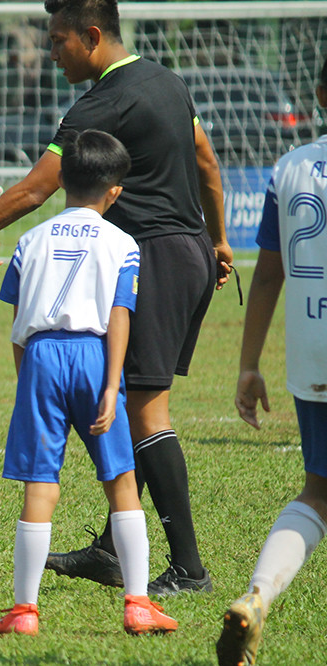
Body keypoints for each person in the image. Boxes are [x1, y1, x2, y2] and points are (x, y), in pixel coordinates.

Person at [0, 0, 233, 596]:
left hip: (151, 257)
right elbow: (206, 160)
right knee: (135, 406)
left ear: (92, 35)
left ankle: (189, 569)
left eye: (58, 41)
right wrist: (218, 240)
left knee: (146, 413)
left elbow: (34, 191)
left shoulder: (100, 104)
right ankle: (111, 550)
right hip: (188, 251)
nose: (52, 53)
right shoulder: (169, 82)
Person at [0, 129, 176, 636]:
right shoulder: (121, 243)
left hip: (40, 357)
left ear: (62, 181)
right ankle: (138, 604)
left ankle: (24, 611)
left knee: (39, 484)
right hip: (94, 357)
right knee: (121, 482)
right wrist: (112, 385)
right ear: (115, 192)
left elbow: (17, 322)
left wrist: (28, 380)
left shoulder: (30, 241)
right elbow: (119, 315)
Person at [216, 59, 327, 666]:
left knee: (317, 494)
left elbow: (267, 275)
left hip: (313, 352)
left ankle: (258, 595)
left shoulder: (290, 168)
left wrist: (248, 363)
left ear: (320, 95)